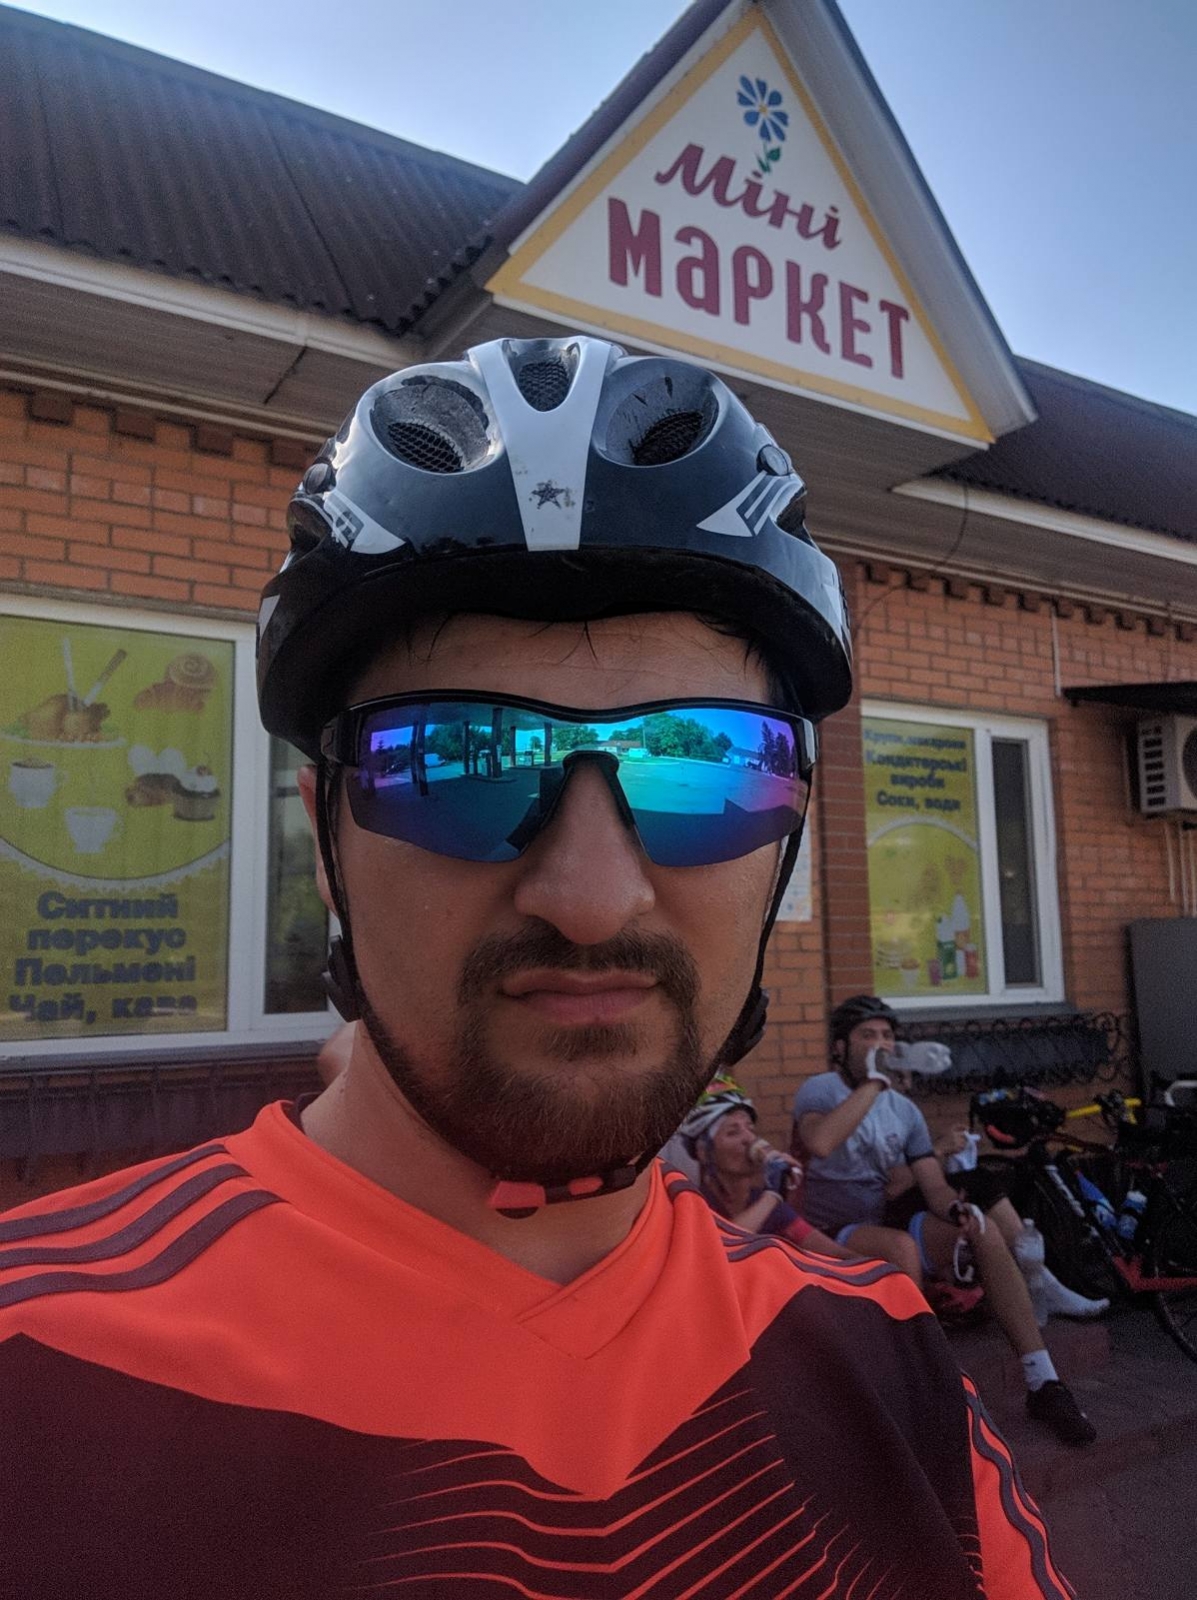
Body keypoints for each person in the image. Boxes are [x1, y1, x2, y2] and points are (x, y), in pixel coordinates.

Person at [0, 337, 1071, 1598]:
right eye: (454, 760)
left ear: (784, 832)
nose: (592, 896)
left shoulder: (881, 1359)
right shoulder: (40, 1366)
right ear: (324, 835)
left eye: (704, 765)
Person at [793, 995, 1102, 1447]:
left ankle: (1044, 1380)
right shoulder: (821, 1089)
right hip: (826, 1228)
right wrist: (875, 1083)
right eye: (867, 1035)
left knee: (983, 1230)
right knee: (899, 1247)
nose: (881, 1043)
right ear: (840, 1047)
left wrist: (957, 1211)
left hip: (879, 1220)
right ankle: (925, 1385)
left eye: (887, 1036)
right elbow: (819, 1142)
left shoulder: (904, 1110)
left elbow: (933, 1187)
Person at [678, 1082, 853, 1257]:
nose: (749, 1138)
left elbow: (837, 1254)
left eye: (750, 1128)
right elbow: (722, 1247)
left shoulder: (763, 1203)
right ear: (703, 1152)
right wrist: (772, 1196)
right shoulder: (691, 1205)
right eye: (733, 1132)